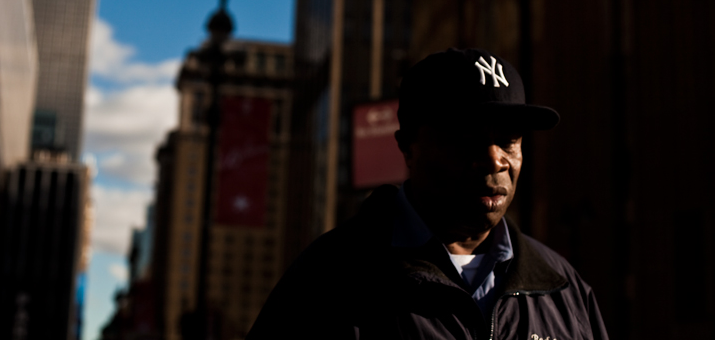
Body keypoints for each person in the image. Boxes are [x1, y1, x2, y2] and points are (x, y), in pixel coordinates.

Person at [248, 48, 609, 339]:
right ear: (408, 146)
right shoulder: (329, 281)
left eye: (508, 141)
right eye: (466, 140)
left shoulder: (562, 287)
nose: (494, 160)